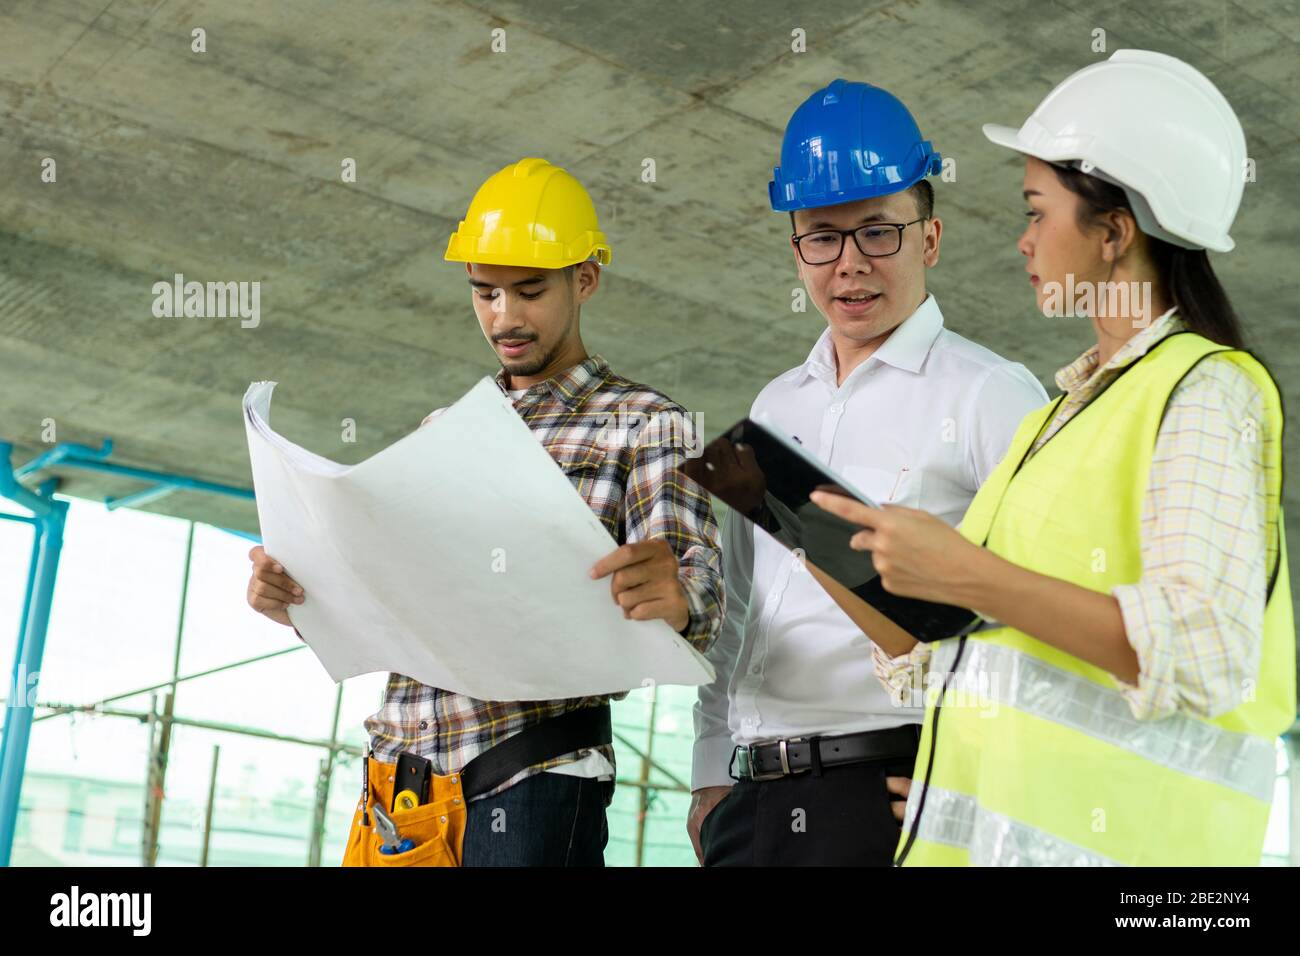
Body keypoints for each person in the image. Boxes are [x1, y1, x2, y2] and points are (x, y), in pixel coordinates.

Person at [811, 50, 1294, 866]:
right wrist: (836, 561)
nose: (1023, 239)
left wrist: (963, 572)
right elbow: (979, 664)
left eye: (1037, 211)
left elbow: (1206, 655)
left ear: (1113, 231)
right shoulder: (1059, 421)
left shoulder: (1207, 391)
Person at [247, 157, 725, 866]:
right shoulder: (443, 428)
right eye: (485, 292)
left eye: (529, 291)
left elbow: (706, 599)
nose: (505, 317)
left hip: (528, 783)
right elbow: (392, 594)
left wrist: (680, 598)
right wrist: (297, 594)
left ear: (584, 279)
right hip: (398, 791)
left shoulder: (650, 422)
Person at [689, 79, 1047, 866]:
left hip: (887, 788)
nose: (849, 265)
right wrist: (711, 770)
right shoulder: (777, 402)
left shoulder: (992, 394)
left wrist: (984, 777)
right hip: (750, 800)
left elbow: (1033, 613)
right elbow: (741, 610)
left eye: (878, 232)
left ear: (931, 237)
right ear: (796, 248)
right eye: (823, 236)